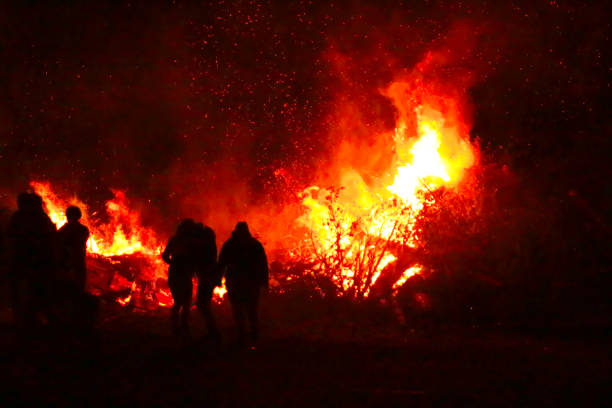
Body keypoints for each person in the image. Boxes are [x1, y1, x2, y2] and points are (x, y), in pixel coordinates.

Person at [6, 192, 57, 332]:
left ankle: (30, 322)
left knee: (32, 292)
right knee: (28, 292)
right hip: (26, 262)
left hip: (33, 262)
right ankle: (27, 322)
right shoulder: (29, 217)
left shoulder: (32, 218)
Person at [218, 222, 268, 346]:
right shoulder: (254, 244)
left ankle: (243, 335)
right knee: (251, 309)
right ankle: (253, 335)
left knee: (239, 310)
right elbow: (263, 265)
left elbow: (221, 263)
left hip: (236, 282)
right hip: (250, 282)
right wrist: (264, 281)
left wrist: (218, 278)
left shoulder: (230, 244)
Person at [162, 219, 197, 334]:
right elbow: (165, 255)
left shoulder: (177, 240)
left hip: (179, 274)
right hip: (181, 274)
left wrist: (172, 263)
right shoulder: (189, 242)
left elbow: (165, 255)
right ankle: (181, 326)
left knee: (181, 301)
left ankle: (178, 326)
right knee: (183, 301)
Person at [194, 222, 221, 340]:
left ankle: (213, 333)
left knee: (202, 303)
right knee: (203, 304)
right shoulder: (209, 242)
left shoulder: (204, 245)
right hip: (209, 276)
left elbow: (202, 261)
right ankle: (212, 331)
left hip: (207, 276)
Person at [57, 206, 90, 292]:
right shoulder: (84, 229)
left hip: (68, 265)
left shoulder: (64, 230)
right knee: (79, 289)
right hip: (79, 263)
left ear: (67, 216)